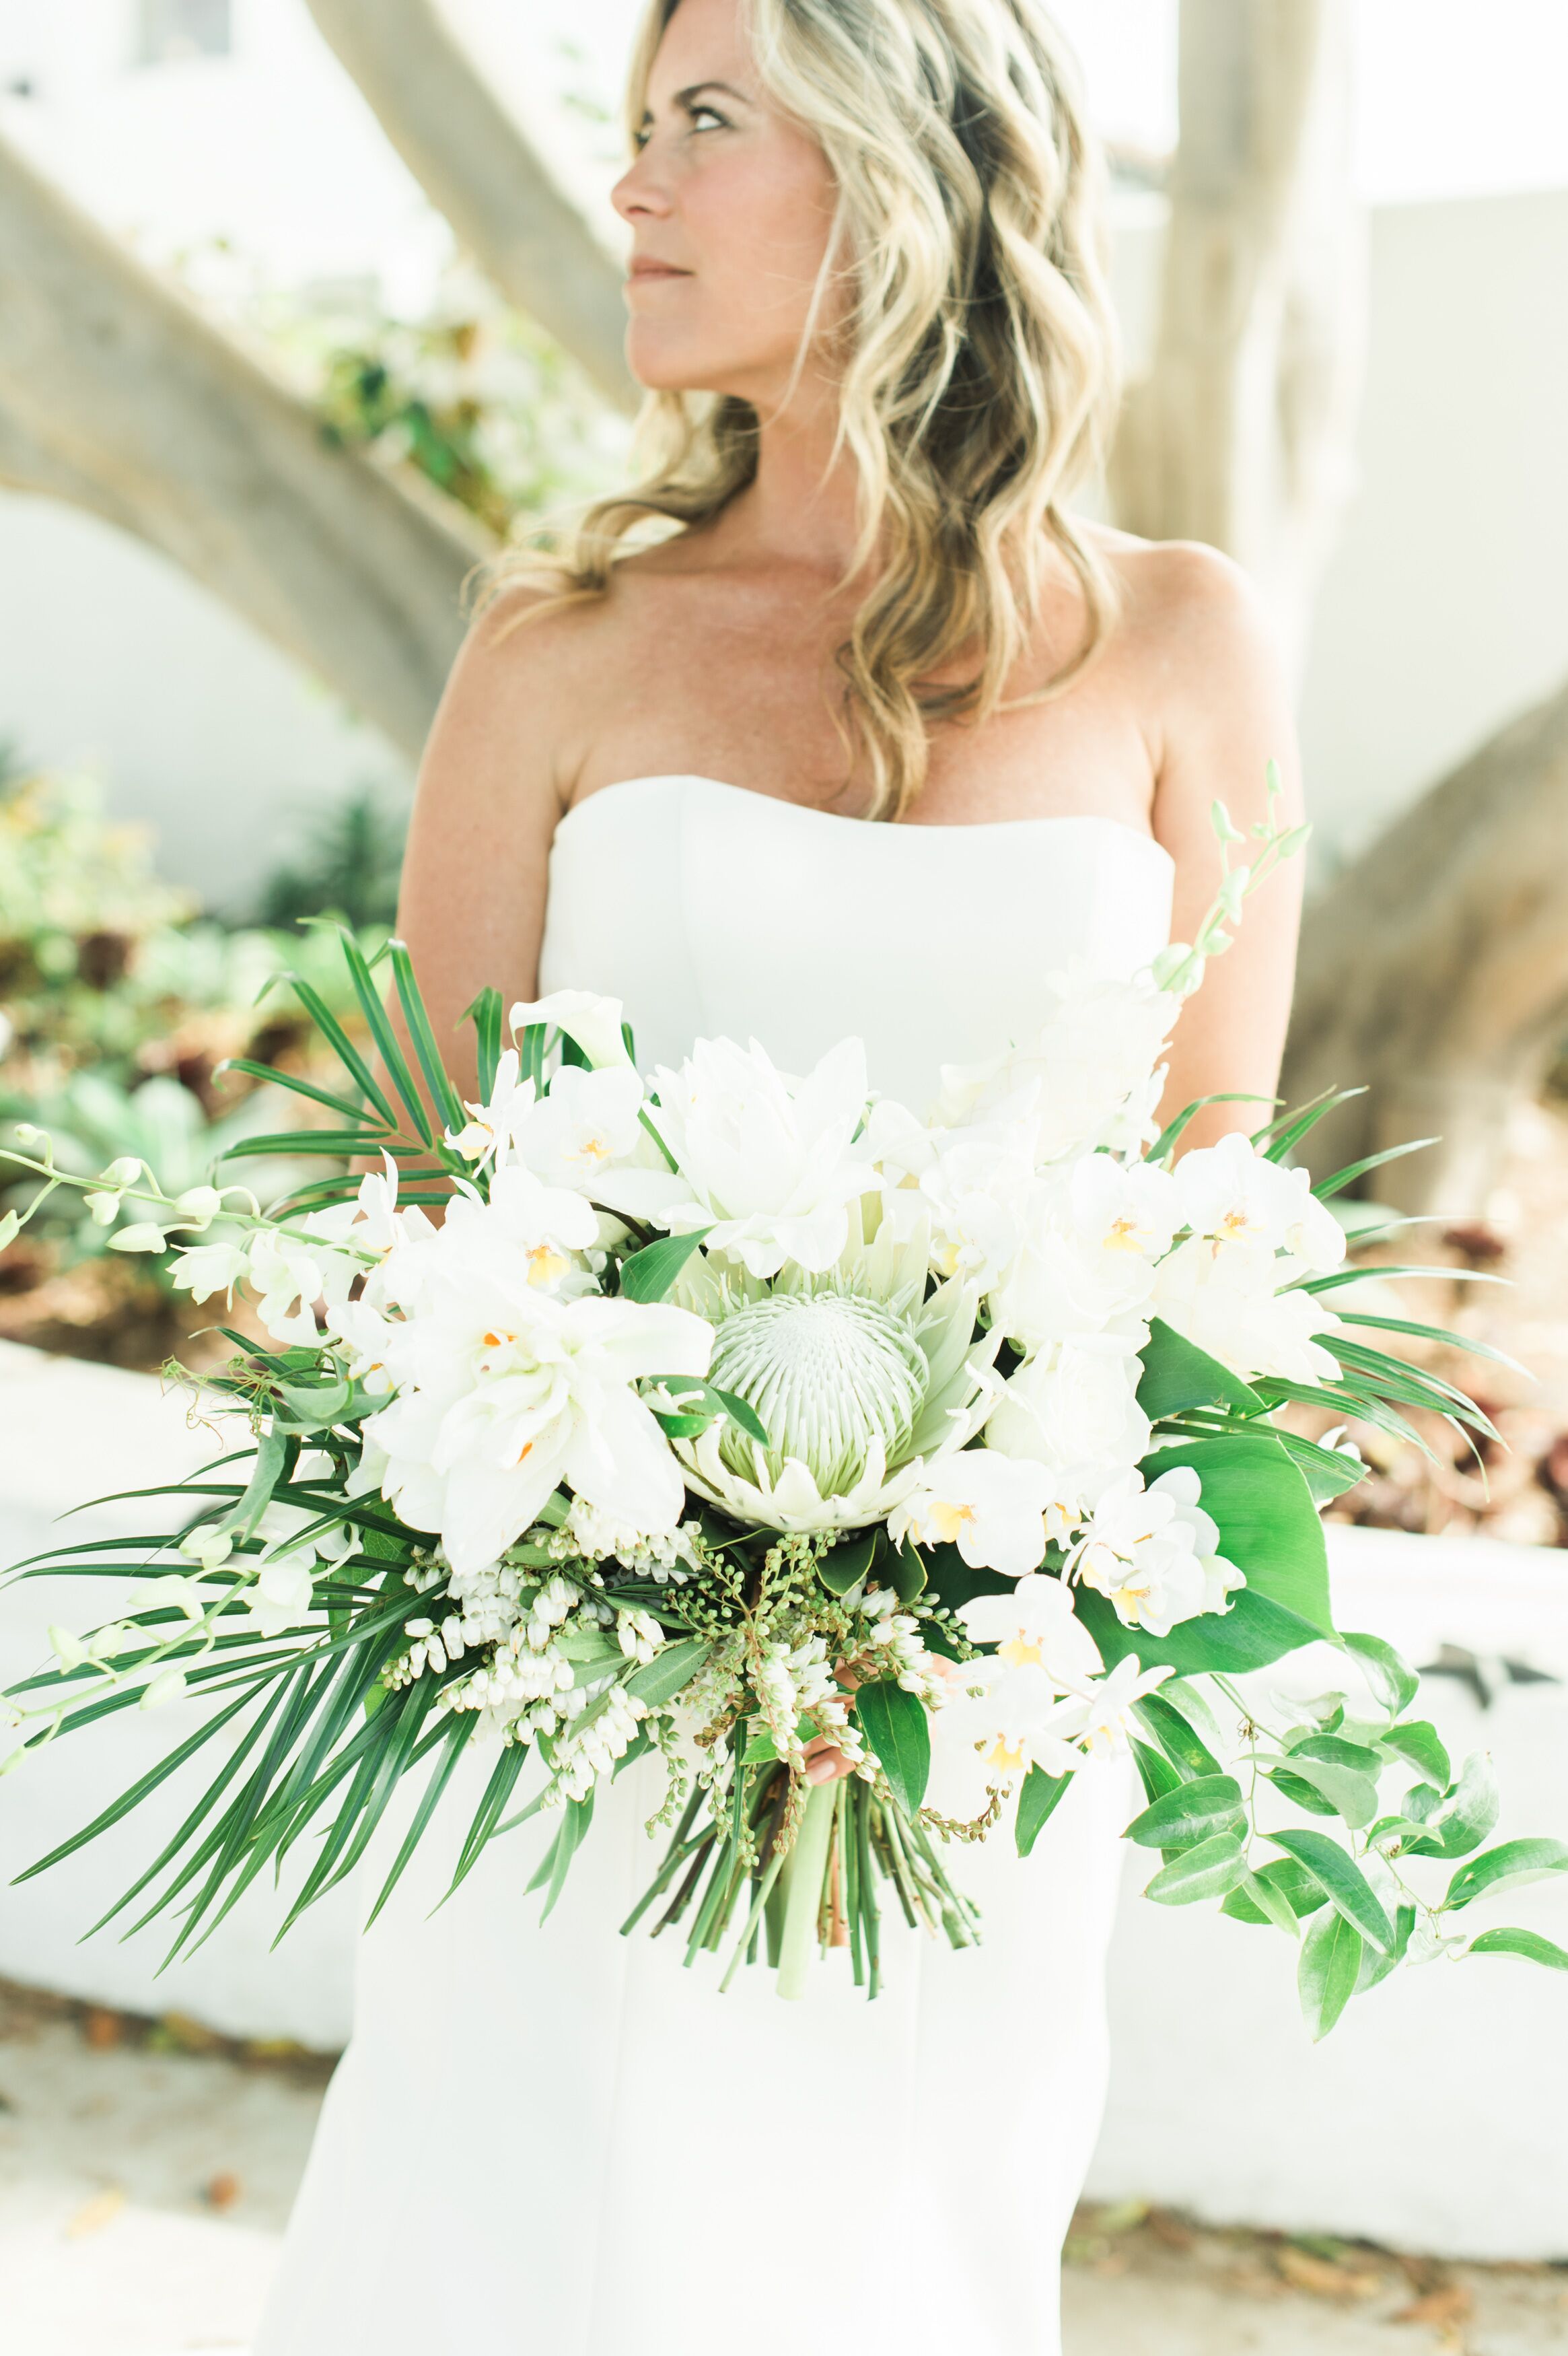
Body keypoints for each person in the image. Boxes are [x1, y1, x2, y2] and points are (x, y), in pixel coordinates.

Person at [256, 3, 1302, 2349]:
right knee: (534, 2238)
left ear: (909, 166)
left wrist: (992, 1568)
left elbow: (1214, 1213)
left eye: (700, 124)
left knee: (893, 2254)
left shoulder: (1183, 643)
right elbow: (425, 1185)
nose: (630, 188)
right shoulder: (559, 647)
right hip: (577, 1703)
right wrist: (624, 1547)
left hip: (980, 1722)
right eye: (631, 130)